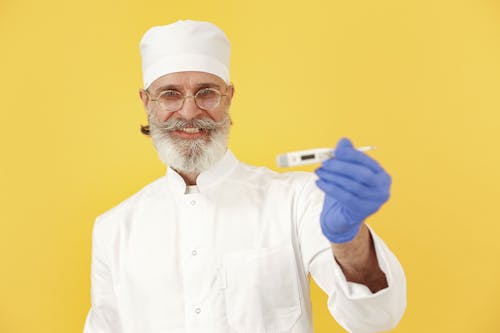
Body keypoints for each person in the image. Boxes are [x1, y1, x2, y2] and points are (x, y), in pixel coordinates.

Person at [83, 20, 406, 333]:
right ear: (145, 102)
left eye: (206, 92)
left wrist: (348, 239)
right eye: (169, 94)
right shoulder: (114, 228)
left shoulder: (298, 199)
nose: (189, 111)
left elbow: (375, 319)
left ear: (229, 97)